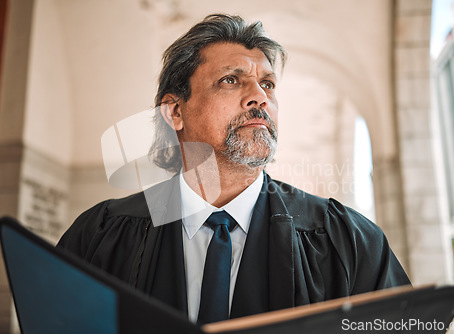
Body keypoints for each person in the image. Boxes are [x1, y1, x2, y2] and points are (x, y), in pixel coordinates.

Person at [57, 14, 410, 324]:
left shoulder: (346, 241)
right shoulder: (100, 237)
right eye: (231, 79)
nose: (260, 97)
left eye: (267, 84)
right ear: (175, 112)